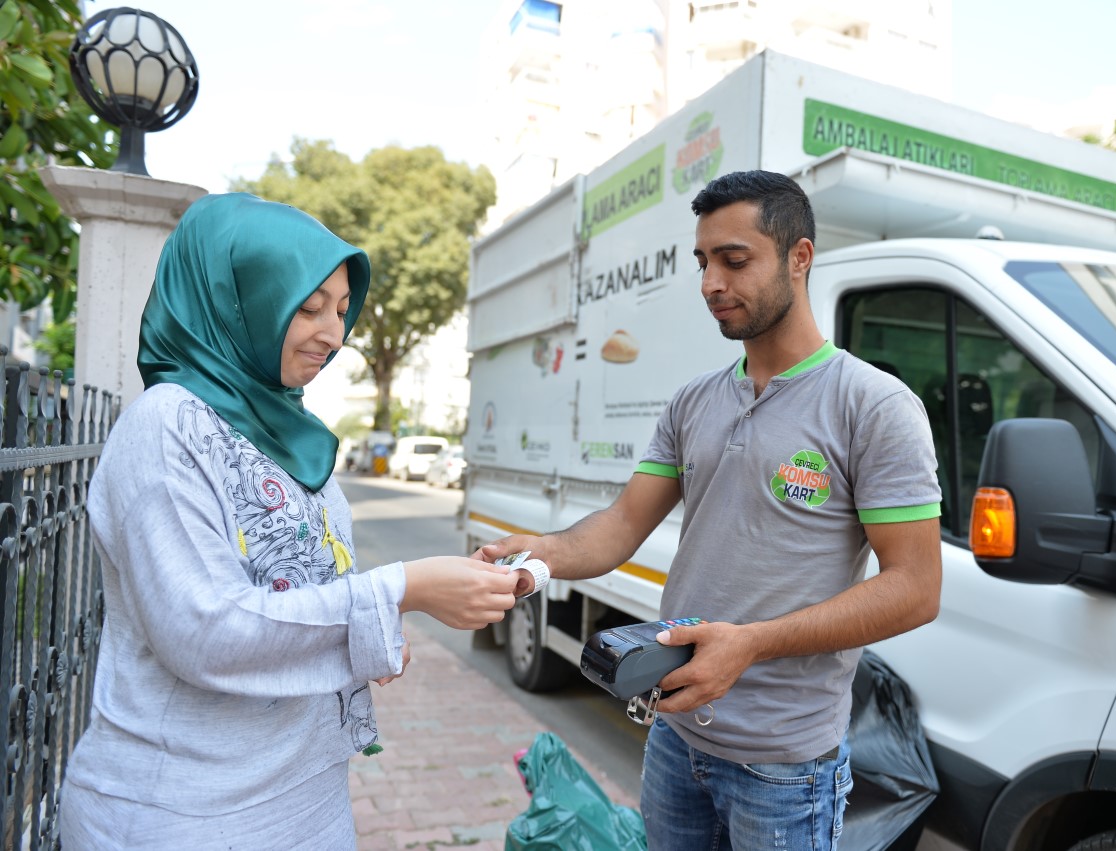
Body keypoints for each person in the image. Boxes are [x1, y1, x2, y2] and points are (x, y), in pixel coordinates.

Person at [478, 170, 942, 849]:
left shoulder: (872, 405)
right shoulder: (693, 401)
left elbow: (915, 588)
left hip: (784, 766)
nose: (710, 283)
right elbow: (620, 525)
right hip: (674, 734)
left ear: (799, 258)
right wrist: (540, 550)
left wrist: (751, 642)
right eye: (702, 262)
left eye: (734, 259)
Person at [60, 193, 520, 849]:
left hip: (306, 795)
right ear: (235, 298)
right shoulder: (167, 427)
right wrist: (402, 589)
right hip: (185, 813)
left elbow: (307, 589)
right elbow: (204, 628)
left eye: (341, 309)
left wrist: (378, 624)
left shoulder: (296, 436)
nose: (333, 334)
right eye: (307, 308)